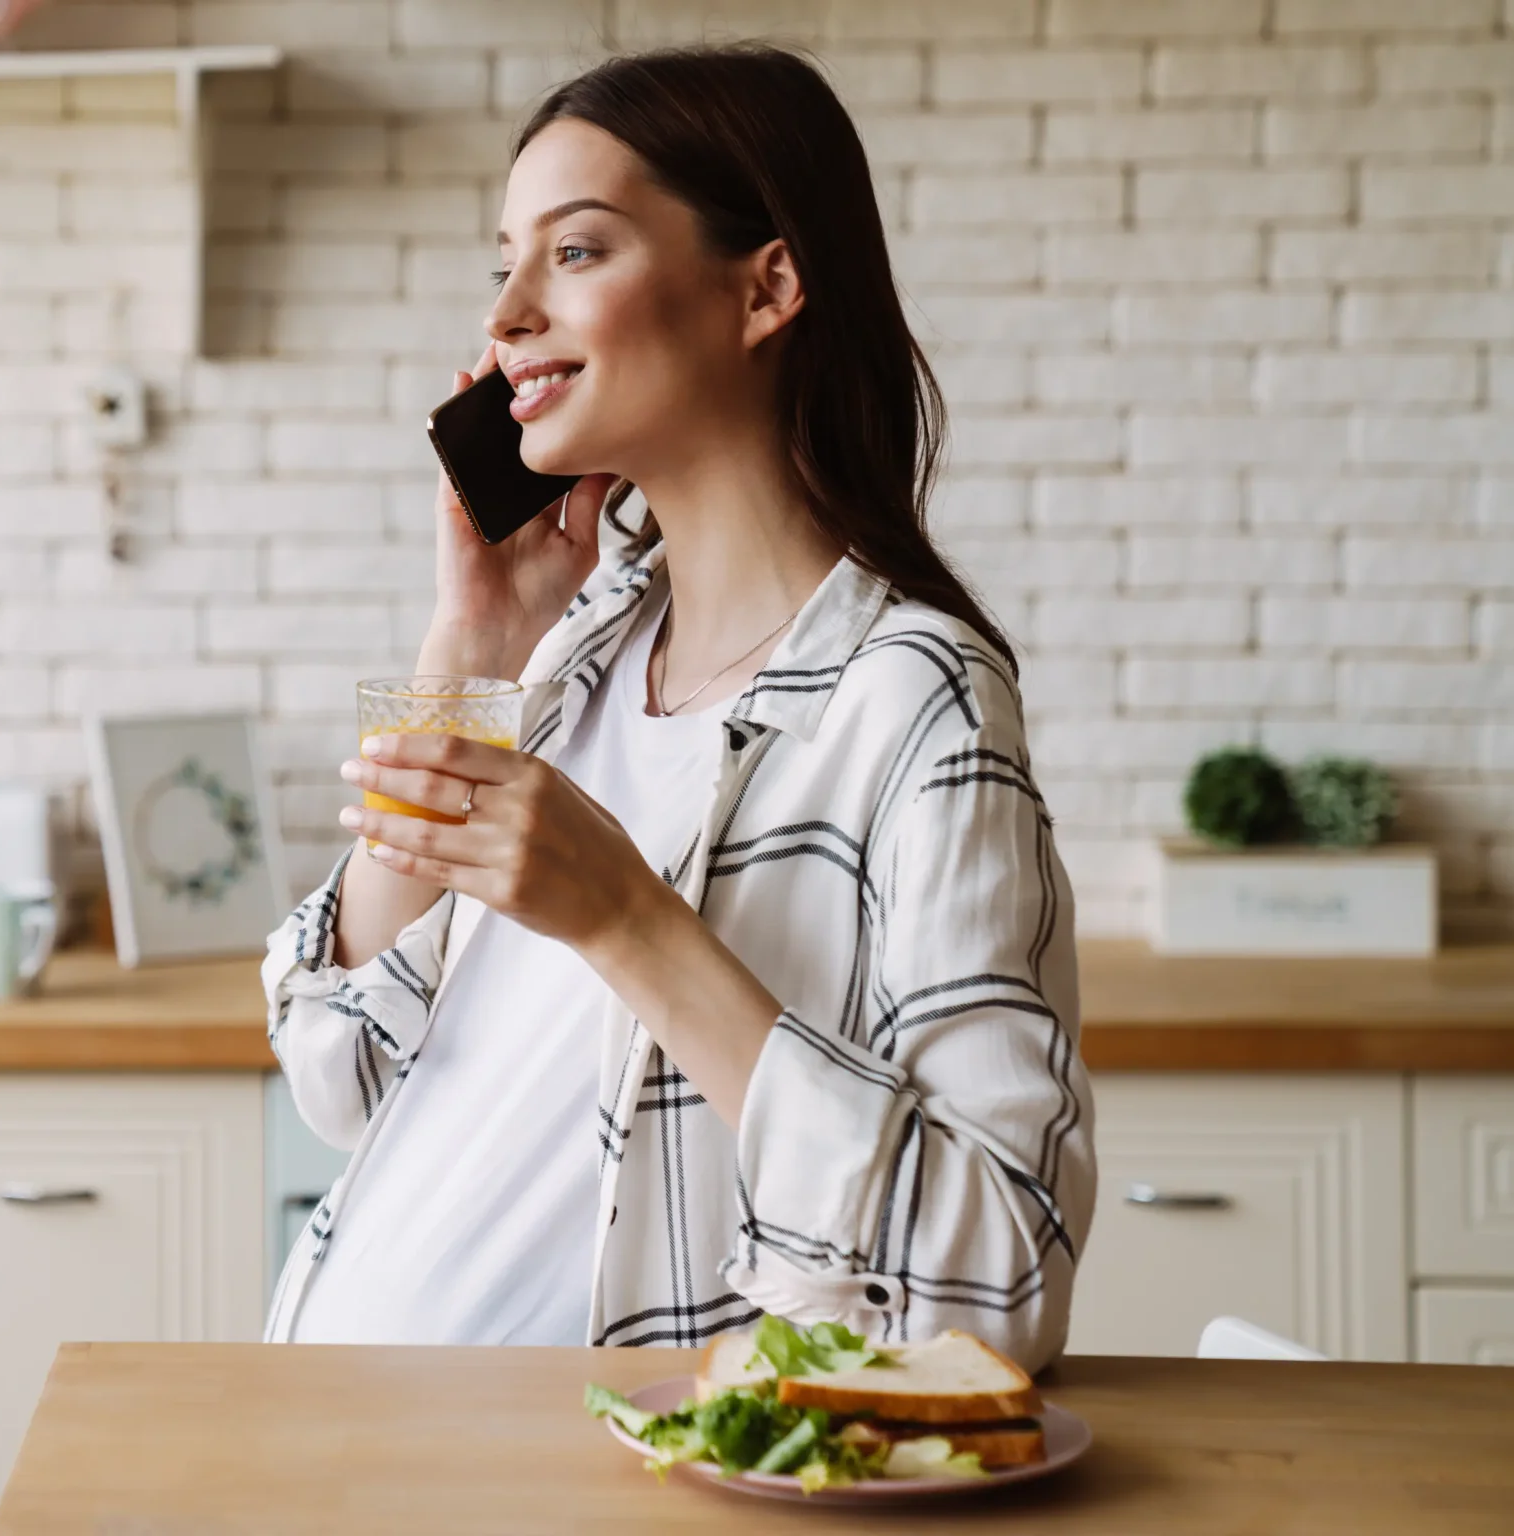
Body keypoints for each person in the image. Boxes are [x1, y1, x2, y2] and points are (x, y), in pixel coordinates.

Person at [259, 42, 1095, 1372]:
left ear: (765, 287)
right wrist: (471, 643)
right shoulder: (570, 663)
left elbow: (994, 1286)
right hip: (340, 1448)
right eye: (505, 264)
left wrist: (626, 917)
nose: (509, 316)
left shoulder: (916, 702)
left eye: (576, 252)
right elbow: (334, 1067)